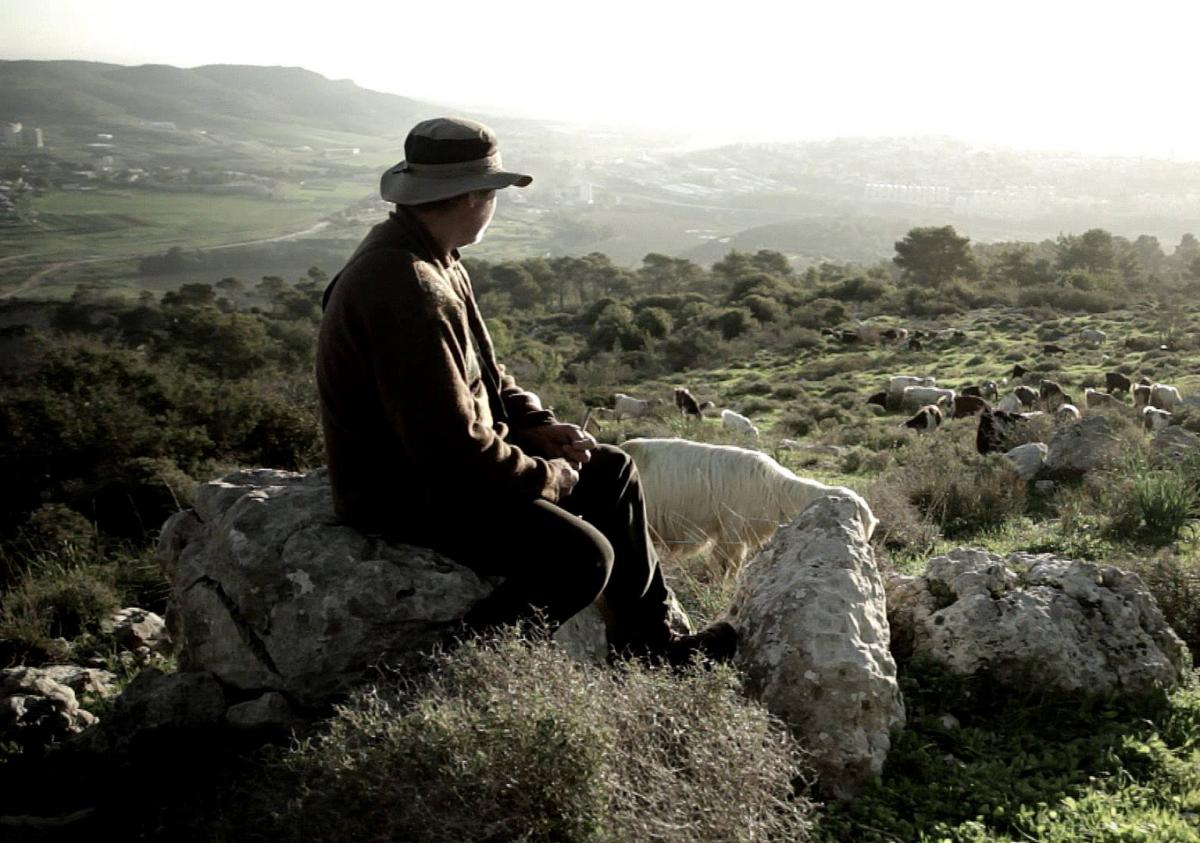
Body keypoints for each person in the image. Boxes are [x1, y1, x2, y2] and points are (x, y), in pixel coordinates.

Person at [316, 117, 734, 664]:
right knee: (582, 558)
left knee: (611, 472)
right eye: (492, 193)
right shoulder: (407, 286)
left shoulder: (431, 256)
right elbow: (448, 450)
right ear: (470, 196)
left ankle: (650, 648)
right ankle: (453, 673)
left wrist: (534, 423)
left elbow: (483, 371)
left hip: (441, 469)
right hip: (404, 491)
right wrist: (547, 478)